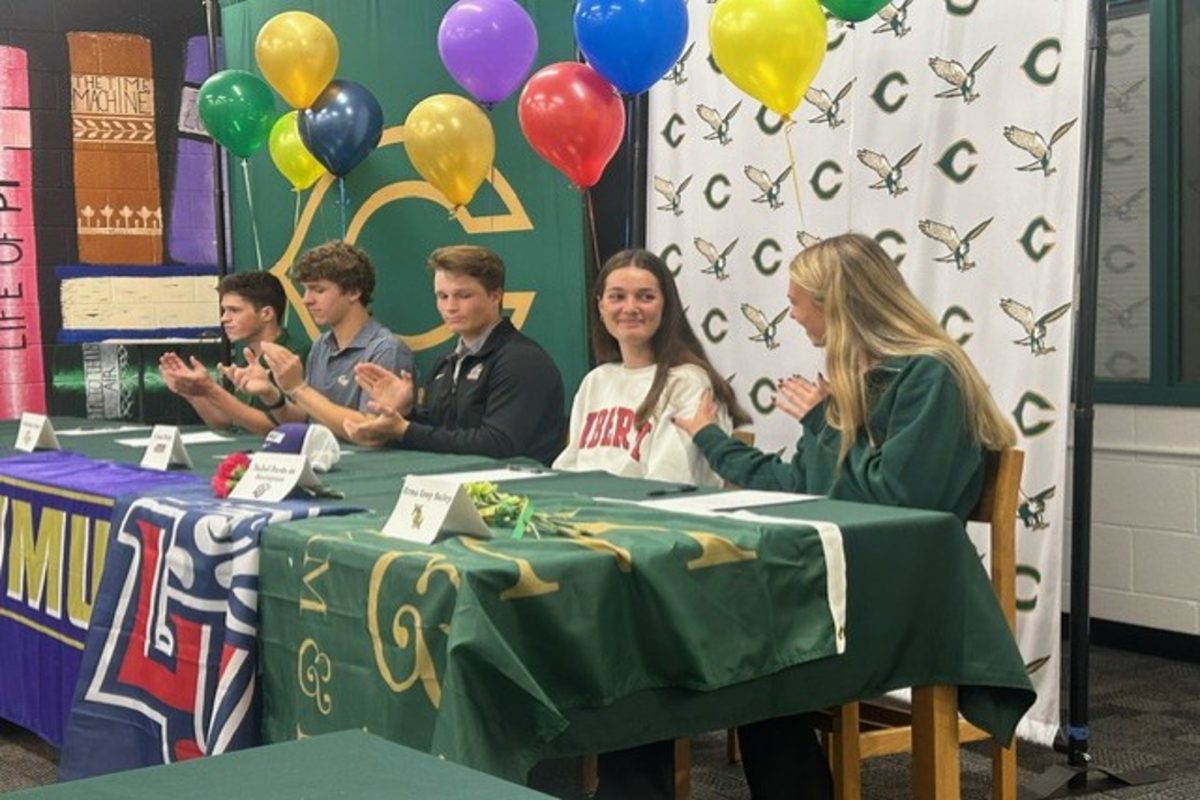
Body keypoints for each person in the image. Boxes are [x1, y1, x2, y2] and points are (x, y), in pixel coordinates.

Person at [673, 232, 1016, 799]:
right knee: (730, 639)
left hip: (910, 595)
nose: (792, 313)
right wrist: (710, 437)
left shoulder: (929, 375)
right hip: (844, 575)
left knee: (755, 654)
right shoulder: (854, 379)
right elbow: (793, 483)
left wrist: (821, 420)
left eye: (798, 300)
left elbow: (900, 500)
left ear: (837, 304)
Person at [343, 245, 565, 464]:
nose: (450, 307)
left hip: (517, 491)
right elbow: (441, 434)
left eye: (463, 295)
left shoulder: (521, 361)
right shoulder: (446, 363)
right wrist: (405, 412)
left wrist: (404, 430)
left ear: (495, 296)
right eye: (442, 296)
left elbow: (499, 444)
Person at [554, 248, 750, 486]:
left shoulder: (687, 382)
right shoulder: (595, 381)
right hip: (585, 514)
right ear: (601, 307)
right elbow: (567, 470)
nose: (630, 308)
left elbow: (669, 483)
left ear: (666, 307)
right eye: (617, 296)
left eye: (645, 297)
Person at [230, 240, 415, 439]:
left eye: (318, 290)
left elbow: (373, 432)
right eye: (305, 290)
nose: (306, 299)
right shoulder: (321, 345)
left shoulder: (386, 349)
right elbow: (310, 421)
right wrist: (272, 395)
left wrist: (298, 388)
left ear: (353, 292)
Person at [158, 272, 308, 435]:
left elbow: (276, 429)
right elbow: (224, 421)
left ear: (266, 314)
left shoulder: (296, 356)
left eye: (234, 310)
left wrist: (212, 390)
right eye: (224, 310)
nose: (224, 319)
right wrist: (192, 392)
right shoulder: (247, 358)